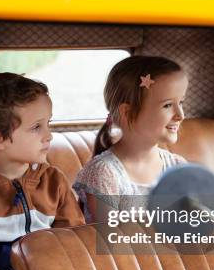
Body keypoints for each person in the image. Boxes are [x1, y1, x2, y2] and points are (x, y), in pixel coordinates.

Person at [0, 72, 85, 270]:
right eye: (36, 128)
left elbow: (74, 238)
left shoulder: (53, 181)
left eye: (48, 123)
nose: (48, 135)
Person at [73, 56, 188, 223]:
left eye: (181, 102)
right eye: (168, 105)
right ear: (127, 112)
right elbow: (114, 243)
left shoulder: (179, 168)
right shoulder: (105, 174)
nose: (181, 115)